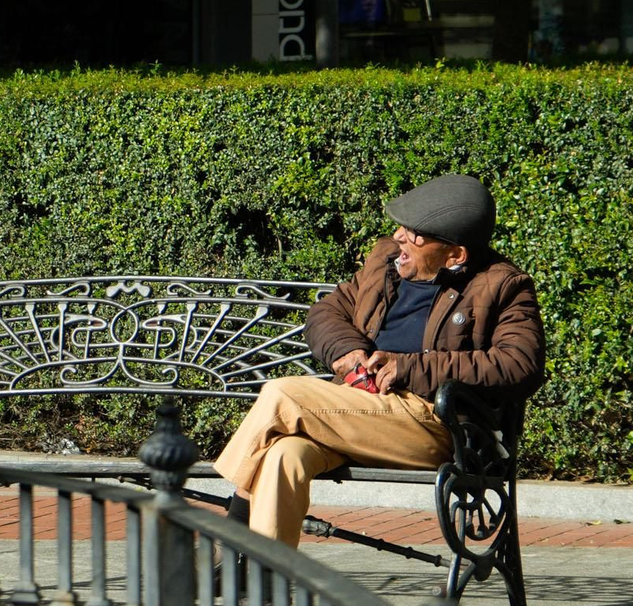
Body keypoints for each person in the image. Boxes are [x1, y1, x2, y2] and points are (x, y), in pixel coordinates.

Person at [212, 174, 546, 547]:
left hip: (435, 423)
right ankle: (261, 576)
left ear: (456, 254)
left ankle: (221, 523)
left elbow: (520, 363)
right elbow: (327, 313)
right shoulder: (386, 261)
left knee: (282, 395)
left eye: (417, 233)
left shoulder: (502, 285)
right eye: (403, 226)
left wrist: (409, 367)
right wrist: (347, 352)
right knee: (282, 455)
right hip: (358, 409)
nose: (401, 236)